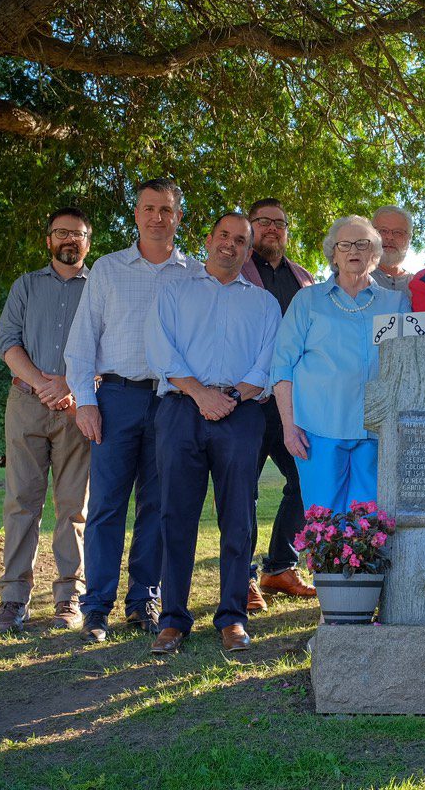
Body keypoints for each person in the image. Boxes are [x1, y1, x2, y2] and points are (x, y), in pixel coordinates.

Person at [145, 213, 282, 655]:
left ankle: (233, 616)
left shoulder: (262, 303)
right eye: (223, 235)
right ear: (208, 240)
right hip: (181, 410)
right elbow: (159, 348)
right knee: (175, 515)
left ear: (248, 249)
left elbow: (267, 363)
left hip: (240, 415)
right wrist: (201, 395)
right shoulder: (173, 290)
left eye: (240, 240)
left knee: (238, 518)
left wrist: (231, 398)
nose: (230, 244)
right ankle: (173, 620)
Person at [65, 178, 194, 643]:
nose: (158, 217)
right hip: (115, 399)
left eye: (167, 209)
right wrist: (85, 402)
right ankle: (96, 606)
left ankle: (143, 601)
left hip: (170, 401)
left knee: (158, 507)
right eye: (149, 208)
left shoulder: (193, 273)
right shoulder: (108, 269)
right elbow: (81, 344)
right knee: (105, 506)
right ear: (135, 214)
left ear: (178, 216)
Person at [0, 207, 92, 633]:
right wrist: (41, 384)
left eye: (78, 233)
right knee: (21, 504)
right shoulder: (26, 286)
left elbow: (110, 344)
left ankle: (70, 597)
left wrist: (67, 386)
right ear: (49, 240)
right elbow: (7, 341)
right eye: (60, 232)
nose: (69, 239)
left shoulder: (100, 288)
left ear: (88, 241)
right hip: (27, 403)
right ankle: (14, 598)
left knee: (74, 507)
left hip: (78, 407)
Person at [271, 216, 410, 512]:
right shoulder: (307, 300)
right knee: (324, 524)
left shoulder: (396, 303)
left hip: (375, 431)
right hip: (317, 430)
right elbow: (282, 366)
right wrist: (289, 426)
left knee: (369, 529)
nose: (353, 250)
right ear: (333, 253)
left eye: (362, 244)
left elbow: (407, 367)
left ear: (374, 253)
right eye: (344, 244)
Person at [239, 198, 316, 611]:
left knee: (305, 478)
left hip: (291, 402)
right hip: (248, 400)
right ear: (250, 227)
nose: (271, 228)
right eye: (263, 221)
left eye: (279, 223)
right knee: (243, 489)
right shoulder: (236, 271)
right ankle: (243, 577)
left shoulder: (304, 279)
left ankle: (280, 567)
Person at [371, 205, 414, 294]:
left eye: (398, 232)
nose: (390, 237)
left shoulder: (420, 284)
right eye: (383, 231)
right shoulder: (355, 280)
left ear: (408, 239)